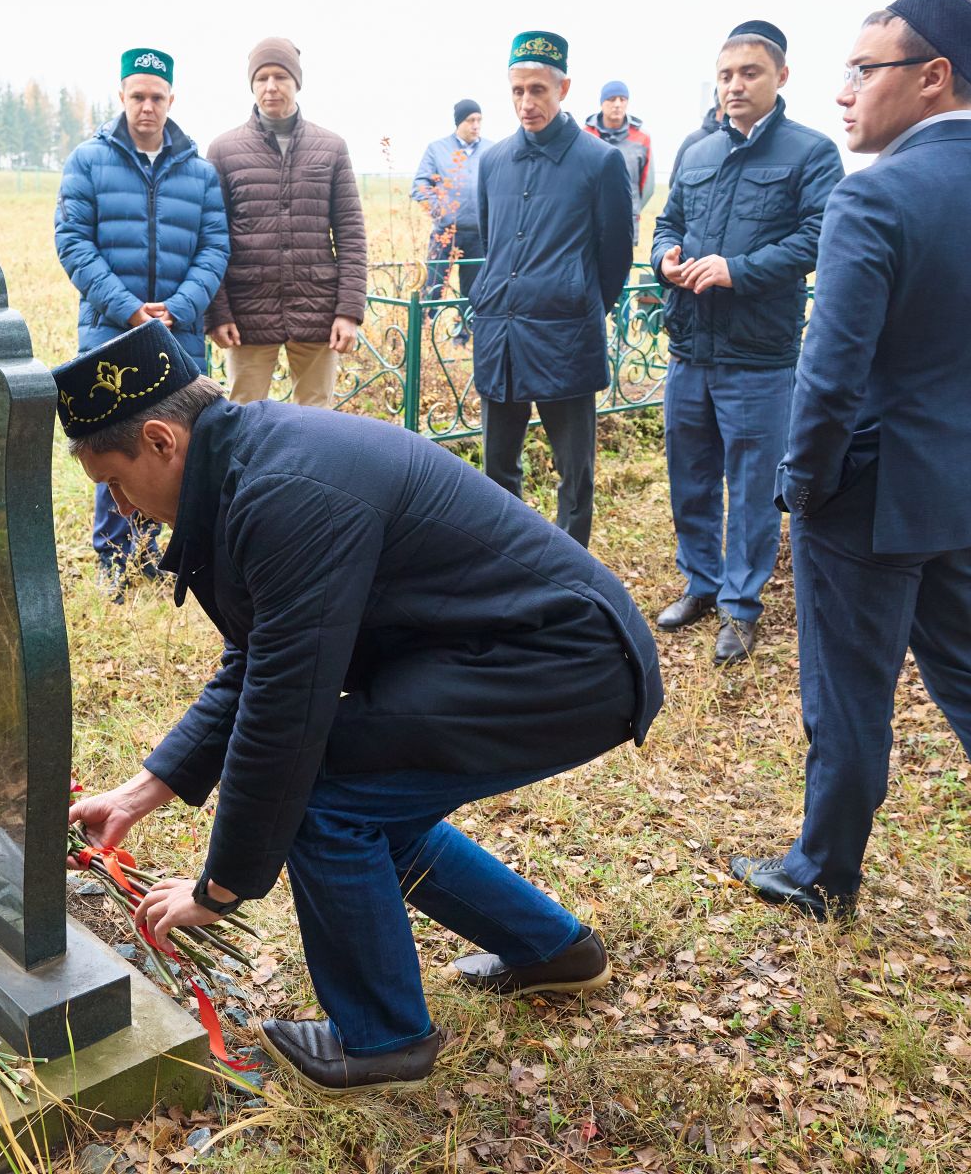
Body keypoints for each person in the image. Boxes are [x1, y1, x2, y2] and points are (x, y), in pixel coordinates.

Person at [57, 321, 663, 1095]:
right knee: (369, 801)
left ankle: (383, 1042)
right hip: (517, 652)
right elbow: (257, 660)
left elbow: (285, 714)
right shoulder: (253, 461)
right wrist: (145, 791)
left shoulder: (281, 492)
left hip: (560, 662)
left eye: (114, 481)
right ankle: (552, 953)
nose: (124, 507)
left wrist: (220, 887)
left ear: (159, 440)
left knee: (323, 796)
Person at [730, 0, 971, 942]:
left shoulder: (876, 198)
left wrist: (801, 490)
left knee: (848, 690)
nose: (844, 92)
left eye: (862, 69)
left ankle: (822, 871)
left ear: (932, 78)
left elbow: (831, 377)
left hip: (867, 494)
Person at [650, 20, 842, 664]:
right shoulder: (696, 151)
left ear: (781, 77)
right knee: (691, 475)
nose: (735, 85)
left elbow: (820, 236)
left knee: (754, 483)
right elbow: (667, 221)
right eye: (726, 74)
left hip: (758, 357)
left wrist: (740, 269)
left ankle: (740, 605)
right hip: (689, 350)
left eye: (750, 73)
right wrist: (664, 258)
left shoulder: (810, 153)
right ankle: (701, 583)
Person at [56, 47, 227, 589]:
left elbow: (215, 246)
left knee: (177, 443)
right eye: (137, 96)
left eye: (156, 97)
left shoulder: (199, 173)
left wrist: (176, 310)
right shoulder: (88, 161)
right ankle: (117, 560)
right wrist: (128, 310)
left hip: (178, 332)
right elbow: (73, 242)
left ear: (171, 100)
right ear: (122, 96)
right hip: (112, 332)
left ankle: (174, 557)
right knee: (114, 446)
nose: (146, 107)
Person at [471, 31, 634, 547]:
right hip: (502, 337)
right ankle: (505, 562)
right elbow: (491, 238)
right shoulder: (493, 161)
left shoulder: (599, 161)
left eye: (538, 89)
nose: (526, 103)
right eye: (517, 90)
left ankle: (572, 577)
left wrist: (577, 300)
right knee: (498, 470)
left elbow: (615, 256)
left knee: (575, 476)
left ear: (564, 88)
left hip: (566, 338)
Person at [205, 37, 367, 408]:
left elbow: (351, 234)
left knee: (317, 419)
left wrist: (348, 312)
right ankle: (247, 470)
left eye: (281, 76)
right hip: (247, 313)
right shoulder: (224, 150)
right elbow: (211, 237)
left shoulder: (331, 147)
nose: (271, 86)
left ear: (297, 82)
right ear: (251, 85)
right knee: (242, 414)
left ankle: (312, 470)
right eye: (261, 78)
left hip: (318, 311)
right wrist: (218, 312)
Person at [412, 100, 485, 298]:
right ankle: (428, 326)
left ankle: (466, 329)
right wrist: (439, 212)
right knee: (433, 289)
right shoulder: (437, 149)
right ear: (458, 122)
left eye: (479, 119)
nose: (476, 125)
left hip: (479, 235)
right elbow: (420, 185)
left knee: (474, 294)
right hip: (445, 233)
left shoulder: (491, 150)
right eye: (471, 120)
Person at [584, 80, 655, 242]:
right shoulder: (585, 135)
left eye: (622, 99)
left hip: (624, 223)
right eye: (611, 99)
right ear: (602, 103)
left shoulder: (642, 138)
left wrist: (631, 209)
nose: (617, 105)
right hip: (587, 222)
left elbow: (647, 185)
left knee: (620, 266)